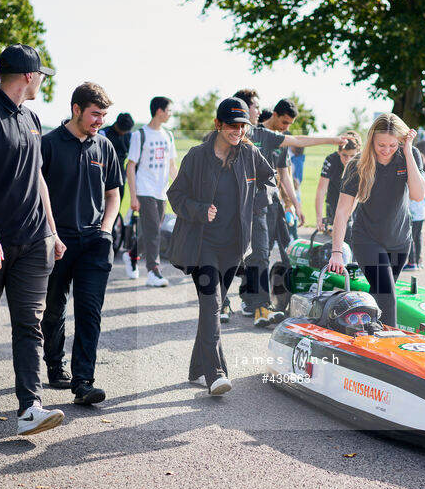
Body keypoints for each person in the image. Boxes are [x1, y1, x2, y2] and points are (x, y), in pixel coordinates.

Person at [0, 44, 66, 435]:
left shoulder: (32, 119)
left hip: (33, 241)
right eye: (40, 75)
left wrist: (51, 230)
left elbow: (38, 178)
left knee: (29, 324)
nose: (41, 81)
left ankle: (29, 408)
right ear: (27, 76)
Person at [166, 97, 276, 395]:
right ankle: (215, 372)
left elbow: (270, 181)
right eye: (232, 125)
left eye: (242, 126)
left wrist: (258, 201)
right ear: (218, 124)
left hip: (233, 248)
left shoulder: (250, 154)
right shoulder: (197, 156)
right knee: (213, 303)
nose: (238, 131)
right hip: (202, 245)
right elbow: (175, 195)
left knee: (210, 309)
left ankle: (196, 366)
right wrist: (200, 209)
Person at [231, 90, 346, 328]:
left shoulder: (272, 137)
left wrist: (295, 204)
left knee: (264, 252)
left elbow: (292, 156)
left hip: (265, 203)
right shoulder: (238, 134)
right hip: (238, 205)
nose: (286, 127)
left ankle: (261, 305)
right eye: (284, 121)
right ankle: (242, 300)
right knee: (242, 255)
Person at [40, 82, 122, 406]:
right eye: (95, 114)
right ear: (76, 109)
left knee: (89, 311)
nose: (100, 121)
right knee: (54, 310)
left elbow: (113, 194)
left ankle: (84, 382)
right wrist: (49, 234)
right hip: (55, 242)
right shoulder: (48, 144)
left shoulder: (104, 147)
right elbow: (36, 194)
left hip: (94, 243)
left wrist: (105, 229)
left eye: (103, 115)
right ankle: (54, 364)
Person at [327, 113, 425, 327]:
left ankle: (362, 331)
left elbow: (418, 195)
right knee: (387, 293)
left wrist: (408, 151)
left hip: (400, 241)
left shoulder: (409, 155)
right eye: (381, 144)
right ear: (372, 139)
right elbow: (343, 211)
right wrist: (336, 251)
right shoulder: (358, 164)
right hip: (367, 239)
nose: (387, 150)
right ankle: (389, 345)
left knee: (379, 294)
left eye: (393, 145)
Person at [125, 96, 177, 287]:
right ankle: (153, 271)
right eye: (169, 110)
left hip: (161, 192)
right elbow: (131, 166)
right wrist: (133, 196)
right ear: (159, 111)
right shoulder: (140, 135)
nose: (170, 114)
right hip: (144, 190)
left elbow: (171, 166)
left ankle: (131, 254)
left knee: (150, 230)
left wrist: (181, 187)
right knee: (154, 230)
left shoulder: (168, 136)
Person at [314, 131, 361, 236]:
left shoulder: (362, 161)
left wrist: (348, 214)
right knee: (338, 234)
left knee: (354, 234)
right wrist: (319, 217)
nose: (348, 160)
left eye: (352, 156)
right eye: (344, 155)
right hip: (335, 201)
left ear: (358, 152)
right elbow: (321, 189)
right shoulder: (331, 160)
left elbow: (360, 192)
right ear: (339, 152)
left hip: (356, 201)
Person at [99, 112, 133, 198]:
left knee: (119, 194)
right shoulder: (103, 133)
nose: (124, 133)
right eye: (123, 130)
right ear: (117, 124)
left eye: (126, 131)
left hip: (120, 169)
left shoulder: (129, 135)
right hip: (104, 169)